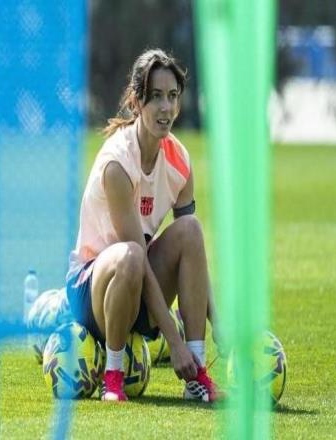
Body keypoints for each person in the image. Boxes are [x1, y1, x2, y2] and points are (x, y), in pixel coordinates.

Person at [66, 48, 223, 402]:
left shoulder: (179, 160)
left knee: (191, 229)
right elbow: (135, 255)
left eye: (173, 96)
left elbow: (193, 257)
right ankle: (112, 377)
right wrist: (173, 341)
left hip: (137, 290)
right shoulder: (117, 164)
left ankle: (197, 377)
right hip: (91, 294)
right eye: (156, 97)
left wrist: (217, 321)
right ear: (137, 101)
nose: (166, 107)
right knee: (131, 254)